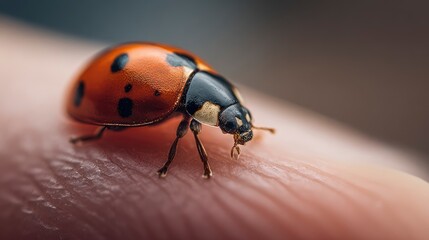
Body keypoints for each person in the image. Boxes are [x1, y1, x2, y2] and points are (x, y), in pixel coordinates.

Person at [0, 18, 428, 240]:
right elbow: (188, 130)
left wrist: (244, 125)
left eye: (235, 119)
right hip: (97, 86)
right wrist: (173, 165)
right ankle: (95, 135)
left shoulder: (206, 92)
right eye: (232, 120)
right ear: (206, 107)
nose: (234, 124)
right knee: (179, 135)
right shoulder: (181, 103)